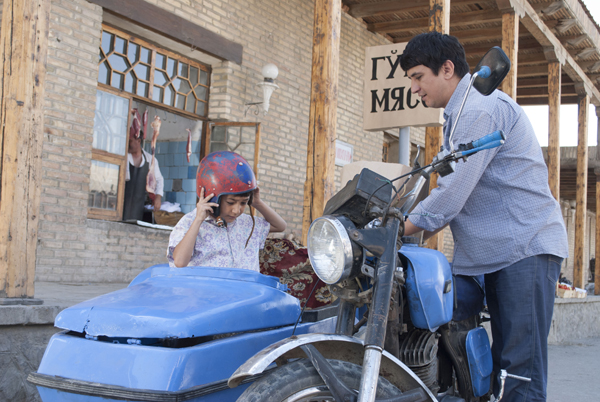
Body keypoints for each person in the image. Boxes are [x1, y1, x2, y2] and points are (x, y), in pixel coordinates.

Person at [399, 32, 568, 401]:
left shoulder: (478, 108)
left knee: (518, 370)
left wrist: (396, 230)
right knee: (482, 364)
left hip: (524, 247)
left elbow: (450, 196)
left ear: (446, 69)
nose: (414, 88)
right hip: (487, 253)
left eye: (417, 76)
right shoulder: (458, 114)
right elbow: (446, 200)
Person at [167, 151, 286, 271]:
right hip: (208, 289)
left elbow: (280, 226)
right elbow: (180, 262)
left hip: (245, 289)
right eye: (230, 202)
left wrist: (257, 203)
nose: (236, 210)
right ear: (211, 197)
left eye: (243, 203)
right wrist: (198, 220)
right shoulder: (190, 222)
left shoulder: (247, 223)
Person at [123, 132, 164, 221]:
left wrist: (158, 197)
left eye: (129, 141)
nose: (127, 144)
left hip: (139, 205)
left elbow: (159, 179)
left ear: (138, 141)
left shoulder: (150, 159)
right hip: (122, 203)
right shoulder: (123, 156)